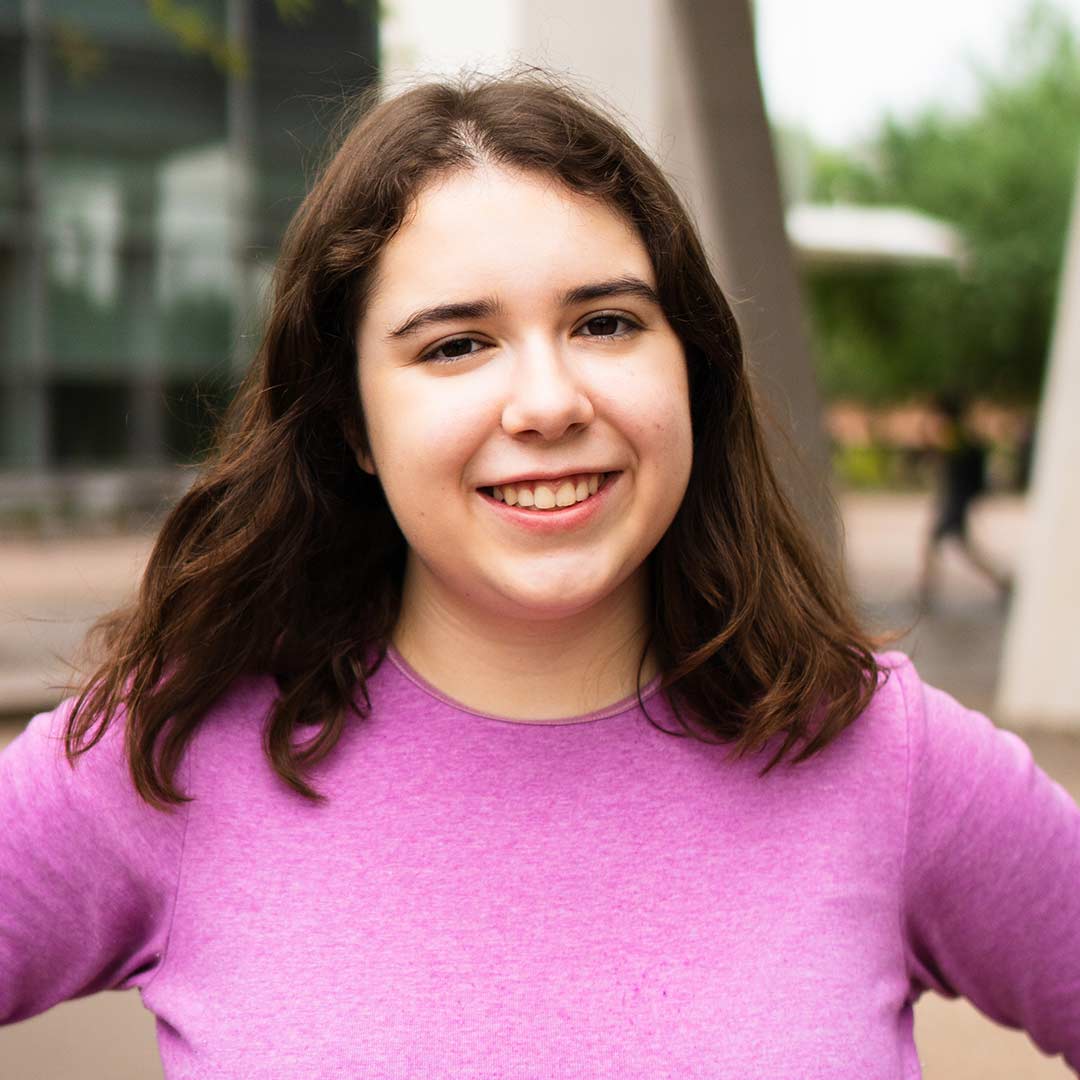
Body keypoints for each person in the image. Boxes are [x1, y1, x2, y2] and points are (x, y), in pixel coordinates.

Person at [1, 69, 1078, 1079]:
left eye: (605, 323)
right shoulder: (168, 757)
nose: (549, 402)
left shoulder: (885, 759)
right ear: (353, 425)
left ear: (691, 372)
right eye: (456, 345)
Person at [918, 391, 1012, 610]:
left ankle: (925, 592)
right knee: (961, 548)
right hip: (956, 500)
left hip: (954, 501)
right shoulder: (962, 436)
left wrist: (925, 431)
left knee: (938, 545)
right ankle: (1002, 582)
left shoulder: (954, 436)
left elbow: (935, 455)